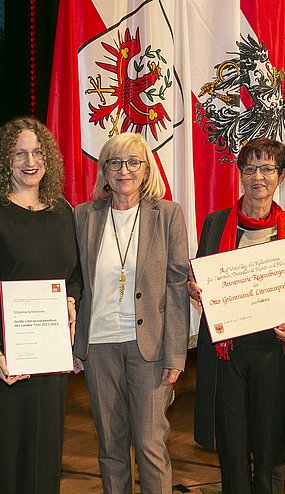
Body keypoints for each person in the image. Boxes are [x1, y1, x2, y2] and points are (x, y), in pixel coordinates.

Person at [0, 117, 81, 494]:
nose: (30, 161)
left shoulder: (62, 210)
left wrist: (72, 299)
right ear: (3, 160)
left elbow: (74, 273)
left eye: (37, 152)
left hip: (47, 358)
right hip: (1, 359)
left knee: (41, 459)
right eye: (19, 153)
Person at [189, 138, 285, 493]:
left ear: (281, 175)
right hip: (228, 351)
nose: (258, 176)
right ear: (240, 174)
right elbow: (201, 277)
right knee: (232, 445)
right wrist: (194, 287)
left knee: (272, 446)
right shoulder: (215, 224)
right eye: (250, 168)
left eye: (267, 168)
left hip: (275, 350)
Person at [73, 132, 189, 494]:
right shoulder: (83, 216)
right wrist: (75, 346)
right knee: (110, 446)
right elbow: (73, 281)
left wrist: (176, 353)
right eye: (114, 162)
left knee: (150, 443)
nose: (124, 170)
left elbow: (176, 286)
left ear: (146, 169)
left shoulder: (167, 214)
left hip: (150, 349)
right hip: (99, 346)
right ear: (104, 171)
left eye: (133, 162)